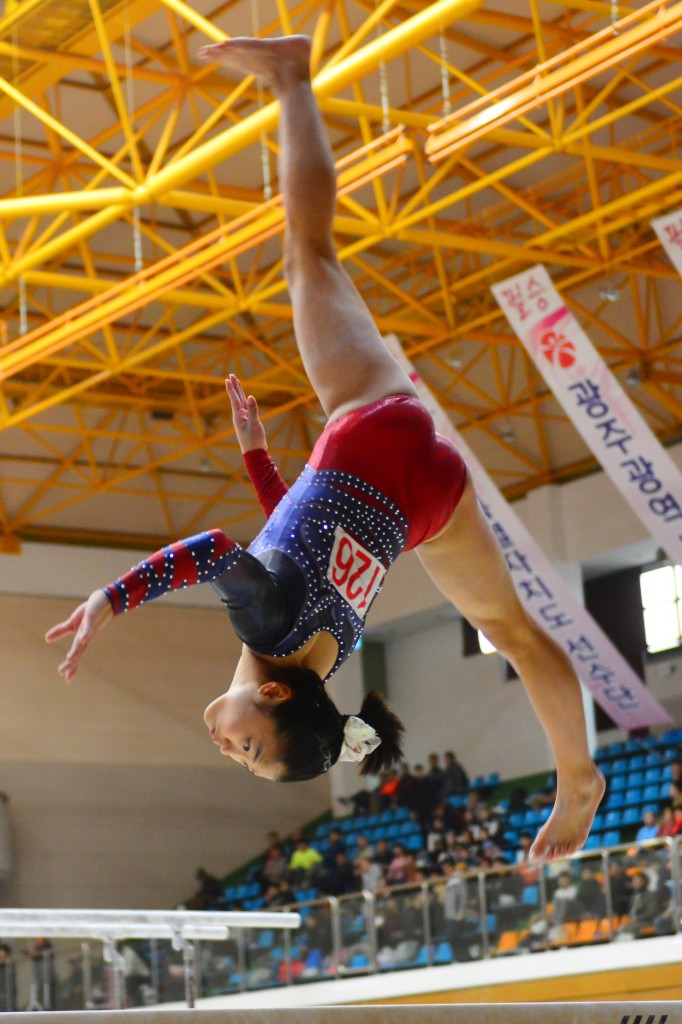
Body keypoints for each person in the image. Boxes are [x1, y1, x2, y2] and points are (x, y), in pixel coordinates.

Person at [45, 33, 603, 862]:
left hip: (429, 505)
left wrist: (260, 462)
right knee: (308, 255)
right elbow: (214, 551)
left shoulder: (320, 658)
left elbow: (297, 541)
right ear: (270, 694)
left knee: (514, 631)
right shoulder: (262, 621)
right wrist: (108, 599)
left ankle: (578, 777)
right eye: (249, 747)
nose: (227, 750)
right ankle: (292, 74)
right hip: (372, 427)